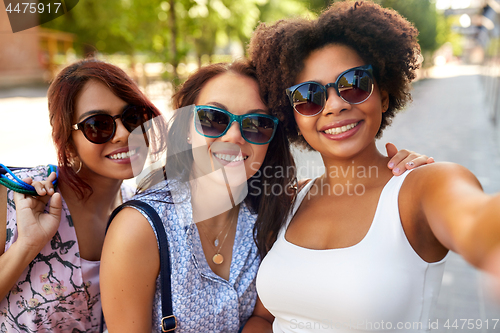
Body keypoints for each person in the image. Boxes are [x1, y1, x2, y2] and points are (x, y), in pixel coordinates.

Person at [99, 59, 430, 333]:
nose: (233, 136)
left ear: (270, 140)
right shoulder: (139, 230)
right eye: (212, 119)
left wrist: (398, 172)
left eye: (255, 124)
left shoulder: (278, 211)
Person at [248, 1, 500, 332]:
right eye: (309, 96)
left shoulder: (424, 187)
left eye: (353, 83)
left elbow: (475, 220)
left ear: (383, 95)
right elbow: (265, 318)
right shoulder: (291, 198)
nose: (335, 105)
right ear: (294, 117)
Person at [0, 58, 162, 332]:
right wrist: (26, 245)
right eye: (98, 125)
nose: (123, 134)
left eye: (133, 117)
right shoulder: (19, 196)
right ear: (68, 142)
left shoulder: (140, 210)